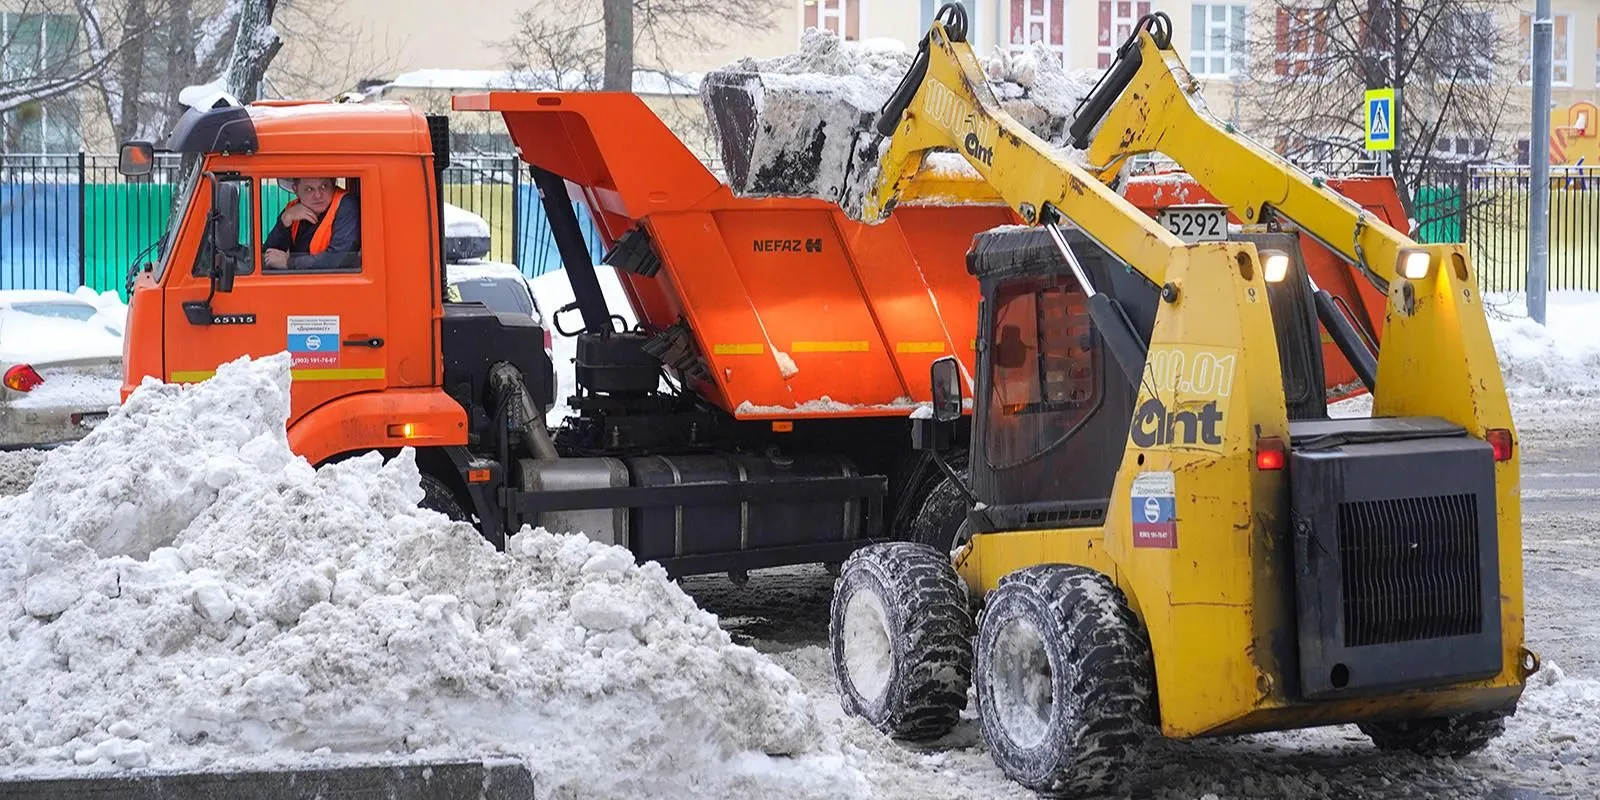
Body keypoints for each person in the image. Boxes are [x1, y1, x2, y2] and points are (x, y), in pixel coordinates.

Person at [264, 177, 361, 269]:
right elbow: (268, 256)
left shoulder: (347, 205)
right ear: (296, 190)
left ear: (333, 185)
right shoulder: (292, 210)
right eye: (309, 189)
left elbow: (340, 258)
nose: (318, 195)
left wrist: (290, 263)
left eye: (324, 186)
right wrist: (284, 220)